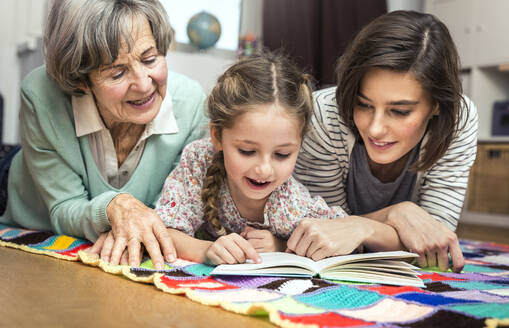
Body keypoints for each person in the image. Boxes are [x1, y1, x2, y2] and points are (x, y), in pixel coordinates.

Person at [0, 0, 208, 270]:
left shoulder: (192, 105)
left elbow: (169, 216)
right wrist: (114, 206)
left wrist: (127, 221)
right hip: (19, 186)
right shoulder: (40, 95)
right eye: (118, 73)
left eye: (149, 59)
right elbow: (64, 206)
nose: (144, 84)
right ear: (80, 80)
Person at [289, 10, 478, 272]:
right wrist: (396, 216)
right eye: (363, 104)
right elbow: (323, 231)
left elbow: (433, 240)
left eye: (400, 111)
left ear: (437, 105)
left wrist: (363, 226)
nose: (376, 129)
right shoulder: (324, 114)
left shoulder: (458, 120)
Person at [156, 52, 368, 265]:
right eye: (247, 151)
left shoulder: (291, 204)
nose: (264, 169)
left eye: (282, 155)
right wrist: (207, 250)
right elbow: (164, 231)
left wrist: (281, 246)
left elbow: (345, 241)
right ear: (217, 136)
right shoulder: (199, 160)